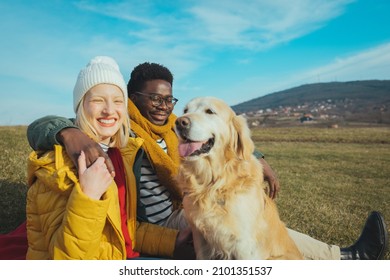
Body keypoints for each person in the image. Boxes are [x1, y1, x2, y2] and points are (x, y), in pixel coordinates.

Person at [27, 62, 388, 260]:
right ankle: (342, 259)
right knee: (252, 221)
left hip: (185, 203)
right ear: (132, 100)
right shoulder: (123, 138)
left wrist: (256, 157)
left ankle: (337, 258)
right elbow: (43, 125)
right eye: (153, 99)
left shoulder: (173, 129)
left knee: (258, 214)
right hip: (171, 215)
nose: (164, 108)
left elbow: (215, 133)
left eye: (169, 100)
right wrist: (69, 133)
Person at [26, 56, 184, 260]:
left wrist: (174, 243)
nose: (110, 110)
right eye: (98, 100)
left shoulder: (118, 154)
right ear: (81, 105)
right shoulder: (60, 163)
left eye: (117, 101)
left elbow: (126, 230)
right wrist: (88, 196)